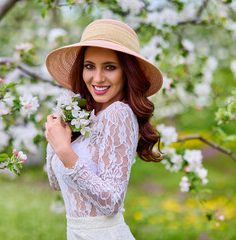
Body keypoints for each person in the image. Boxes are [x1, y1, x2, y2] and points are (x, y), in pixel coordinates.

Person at [44, 19, 163, 240]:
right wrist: (56, 137)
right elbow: (55, 183)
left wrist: (64, 150)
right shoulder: (87, 118)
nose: (97, 78)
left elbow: (112, 202)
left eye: (110, 67)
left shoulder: (119, 113)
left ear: (127, 72)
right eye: (89, 66)